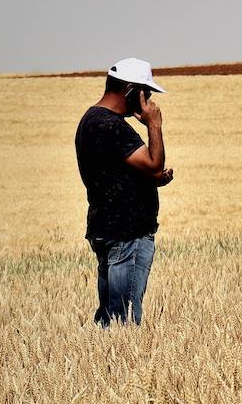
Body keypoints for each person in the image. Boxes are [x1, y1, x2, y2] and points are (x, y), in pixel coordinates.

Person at [74, 58, 174, 326]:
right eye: (146, 93)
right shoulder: (112, 126)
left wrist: (151, 179)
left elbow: (119, 173)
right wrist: (154, 124)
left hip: (106, 229)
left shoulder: (91, 120)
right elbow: (154, 165)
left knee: (109, 319)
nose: (149, 101)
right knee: (124, 321)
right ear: (130, 90)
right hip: (126, 234)